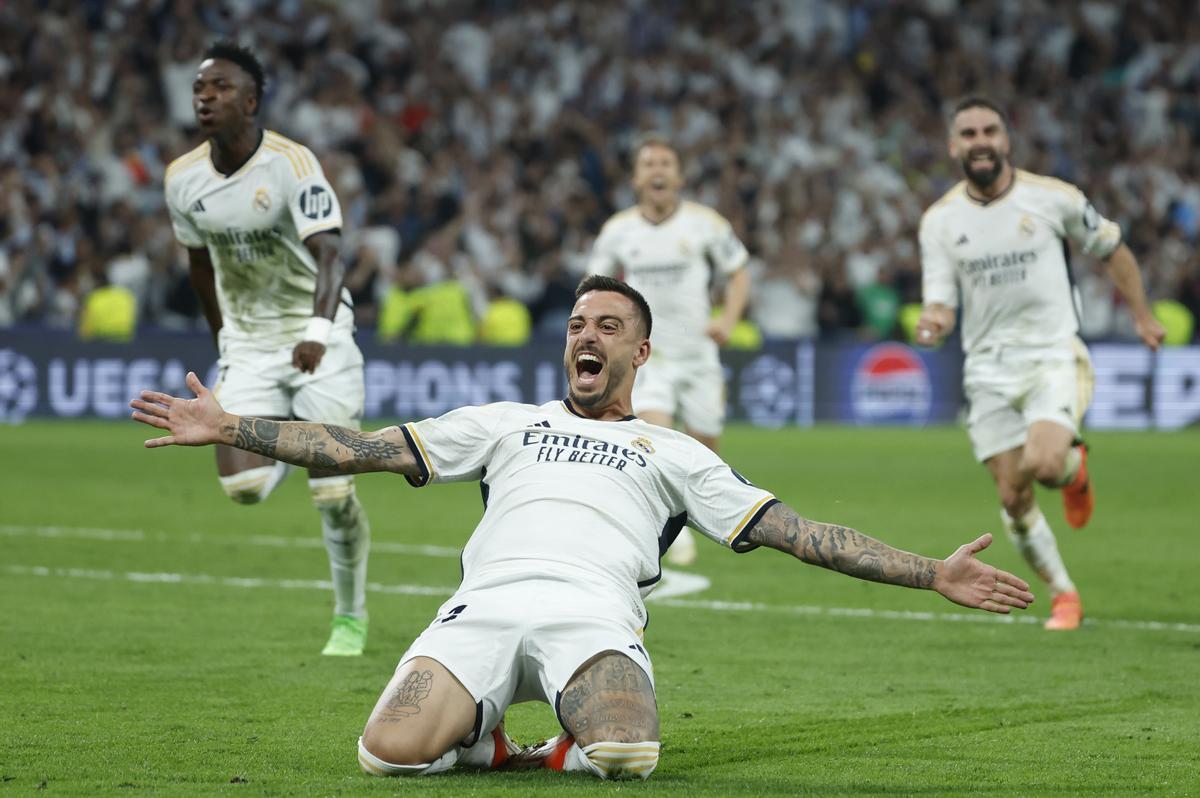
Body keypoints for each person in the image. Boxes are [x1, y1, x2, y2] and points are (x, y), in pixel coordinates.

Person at [131, 275, 1035, 782]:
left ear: (640, 351)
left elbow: (800, 532)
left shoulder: (674, 452)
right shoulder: (504, 424)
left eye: (606, 325)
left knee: (628, 754)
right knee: (383, 755)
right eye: (574, 324)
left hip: (592, 618)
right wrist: (232, 428)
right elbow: (359, 447)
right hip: (480, 610)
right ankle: (492, 746)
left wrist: (931, 572)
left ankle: (551, 739)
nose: (583, 336)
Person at [916, 97, 1165, 632]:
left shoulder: (1053, 198)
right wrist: (933, 323)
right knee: (1013, 494)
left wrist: (1142, 316)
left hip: (1052, 354)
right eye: (968, 133)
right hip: (986, 369)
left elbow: (1113, 248)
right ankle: (1064, 593)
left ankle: (1075, 472)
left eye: (989, 130)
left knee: (1047, 464)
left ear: (1005, 140)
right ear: (953, 146)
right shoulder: (939, 221)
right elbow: (939, 298)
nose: (980, 140)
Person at [161, 42, 372, 656]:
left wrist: (317, 332)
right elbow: (200, 265)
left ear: (250, 101)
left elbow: (331, 251)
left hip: (318, 334)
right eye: (200, 88)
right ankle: (292, 437)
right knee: (244, 490)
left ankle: (350, 617)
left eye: (220, 87)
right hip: (250, 345)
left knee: (333, 495)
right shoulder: (183, 178)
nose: (205, 97)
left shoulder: (291, 163)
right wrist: (224, 340)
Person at [587, 134, 751, 567]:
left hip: (698, 355)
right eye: (648, 164)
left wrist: (728, 320)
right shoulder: (618, 231)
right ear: (636, 178)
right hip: (648, 357)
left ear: (678, 176)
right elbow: (596, 290)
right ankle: (666, 529)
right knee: (654, 439)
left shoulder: (706, 224)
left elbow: (738, 275)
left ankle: (691, 518)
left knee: (705, 454)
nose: (657, 170)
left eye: (665, 163)